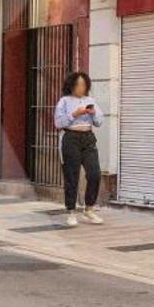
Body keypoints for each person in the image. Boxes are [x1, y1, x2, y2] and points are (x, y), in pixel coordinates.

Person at [54, 71, 106, 227]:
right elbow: (58, 123)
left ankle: (89, 208)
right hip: (71, 138)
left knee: (94, 173)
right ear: (71, 85)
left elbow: (99, 122)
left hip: (88, 138)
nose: (81, 88)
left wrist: (93, 112)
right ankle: (71, 211)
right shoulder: (64, 101)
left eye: (84, 85)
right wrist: (74, 114)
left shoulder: (90, 100)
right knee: (72, 175)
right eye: (78, 85)